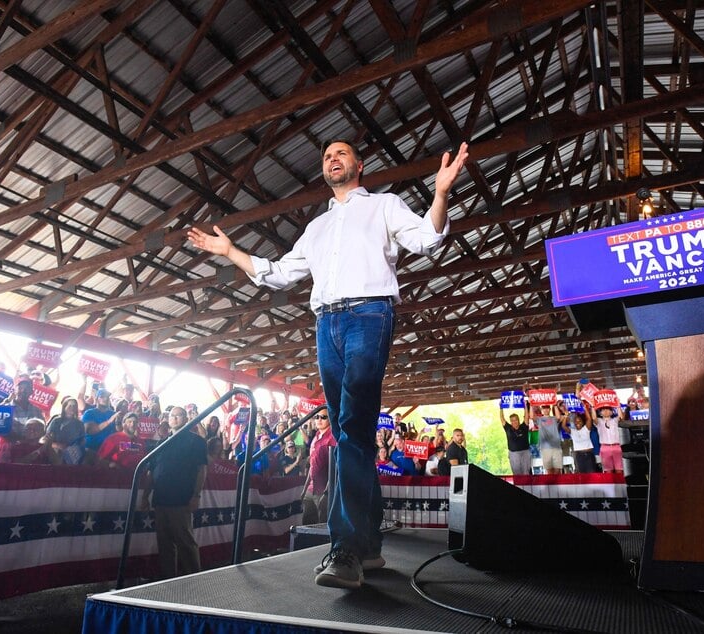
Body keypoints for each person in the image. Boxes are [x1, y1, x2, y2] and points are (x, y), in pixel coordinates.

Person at [187, 138, 467, 589]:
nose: (332, 159)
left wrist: (440, 193)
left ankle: (347, 550)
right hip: (326, 324)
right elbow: (277, 273)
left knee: (354, 426)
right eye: (326, 156)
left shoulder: (384, 205)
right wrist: (230, 253)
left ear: (360, 164)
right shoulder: (316, 228)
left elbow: (428, 240)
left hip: (368, 316)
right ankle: (371, 546)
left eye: (341, 153)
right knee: (348, 433)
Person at [139, 406, 208, 579]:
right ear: (167, 419)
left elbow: (202, 470)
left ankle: (193, 579)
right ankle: (168, 579)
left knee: (185, 542)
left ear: (186, 419)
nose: (175, 418)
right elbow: (151, 473)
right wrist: (145, 496)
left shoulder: (196, 441)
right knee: (164, 543)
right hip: (161, 499)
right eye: (172, 415)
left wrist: (196, 495)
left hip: (181, 499)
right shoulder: (160, 444)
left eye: (179, 415)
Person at [302, 412, 336, 525]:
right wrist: (304, 489)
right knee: (307, 523)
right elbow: (312, 465)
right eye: (317, 417)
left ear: (330, 419)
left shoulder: (333, 437)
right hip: (310, 489)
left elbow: (335, 467)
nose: (319, 419)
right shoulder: (315, 436)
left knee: (323, 524)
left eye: (323, 417)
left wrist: (326, 493)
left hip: (324, 491)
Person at [499, 408, 530, 476]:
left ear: (518, 420)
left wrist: (525, 406)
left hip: (525, 452)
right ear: (510, 422)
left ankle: (526, 486)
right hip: (513, 454)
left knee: (526, 473)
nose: (514, 422)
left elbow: (527, 416)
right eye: (512, 420)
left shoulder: (524, 426)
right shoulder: (508, 428)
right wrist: (501, 408)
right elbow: (502, 418)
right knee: (517, 474)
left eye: (516, 420)